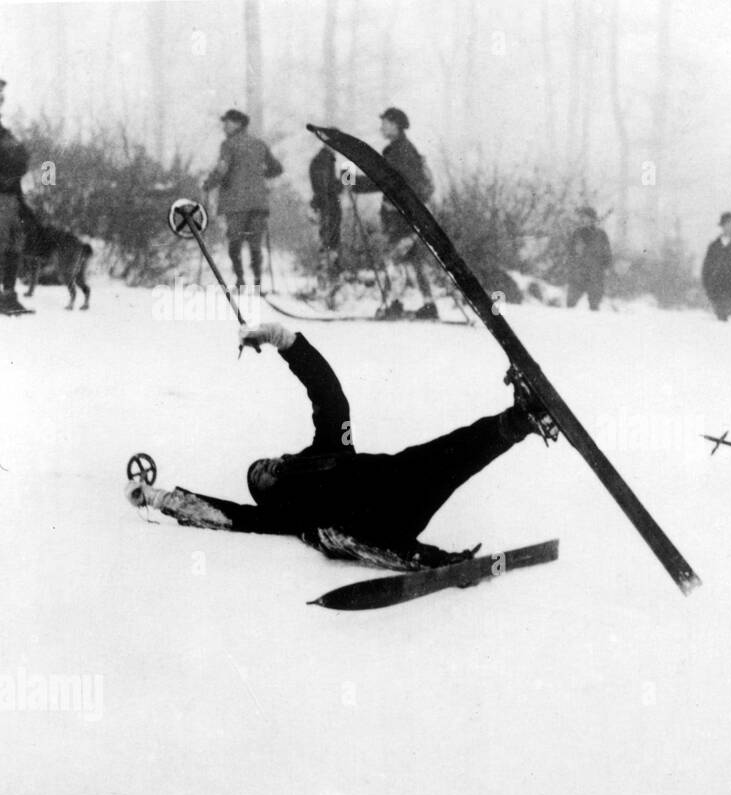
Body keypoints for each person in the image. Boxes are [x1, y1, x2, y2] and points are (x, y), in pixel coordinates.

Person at [126, 322, 557, 568]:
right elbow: (226, 516)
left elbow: (329, 395)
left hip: (401, 483)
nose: (268, 469)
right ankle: (433, 560)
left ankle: (521, 418)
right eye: (260, 477)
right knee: (333, 534)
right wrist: (159, 498)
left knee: (451, 453)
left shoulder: (328, 450)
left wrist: (284, 339)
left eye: (265, 463)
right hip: (368, 527)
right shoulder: (282, 515)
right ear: (265, 492)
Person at [350, 107, 439, 320]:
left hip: (400, 215)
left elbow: (384, 180)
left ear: (396, 125)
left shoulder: (399, 152)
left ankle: (394, 304)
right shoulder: (403, 149)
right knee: (413, 259)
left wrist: (353, 182)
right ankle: (429, 305)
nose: (381, 126)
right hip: (411, 213)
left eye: (385, 122)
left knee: (394, 259)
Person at [202, 109, 282, 291]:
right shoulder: (260, 144)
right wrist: (260, 176)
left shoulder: (228, 145)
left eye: (227, 122)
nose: (224, 126)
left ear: (239, 124)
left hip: (236, 203)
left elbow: (222, 170)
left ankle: (240, 282)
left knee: (235, 243)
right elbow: (277, 168)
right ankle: (258, 283)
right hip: (258, 203)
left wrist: (208, 184)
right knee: (255, 245)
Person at [0, 77, 32, 316]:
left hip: (11, 199)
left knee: (13, 245)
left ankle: (9, 295)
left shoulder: (5, 133)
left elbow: (21, 158)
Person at [701, 211, 731, 323]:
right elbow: (707, 269)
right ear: (723, 226)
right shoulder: (714, 247)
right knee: (721, 324)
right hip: (718, 290)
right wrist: (708, 287)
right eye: (729, 224)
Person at [308, 145, 343, 288]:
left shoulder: (326, 159)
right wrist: (346, 182)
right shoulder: (323, 160)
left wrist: (346, 181)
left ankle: (329, 282)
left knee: (330, 243)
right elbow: (325, 188)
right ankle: (327, 283)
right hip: (328, 207)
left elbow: (330, 186)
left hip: (329, 206)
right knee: (329, 244)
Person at [566, 206, 612, 310]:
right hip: (578, 275)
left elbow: (607, 254)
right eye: (581, 217)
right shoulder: (576, 234)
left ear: (592, 219)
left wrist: (606, 268)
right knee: (570, 304)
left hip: (595, 275)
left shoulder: (601, 235)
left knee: (594, 306)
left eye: (585, 217)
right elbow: (570, 254)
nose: (583, 219)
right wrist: (572, 267)